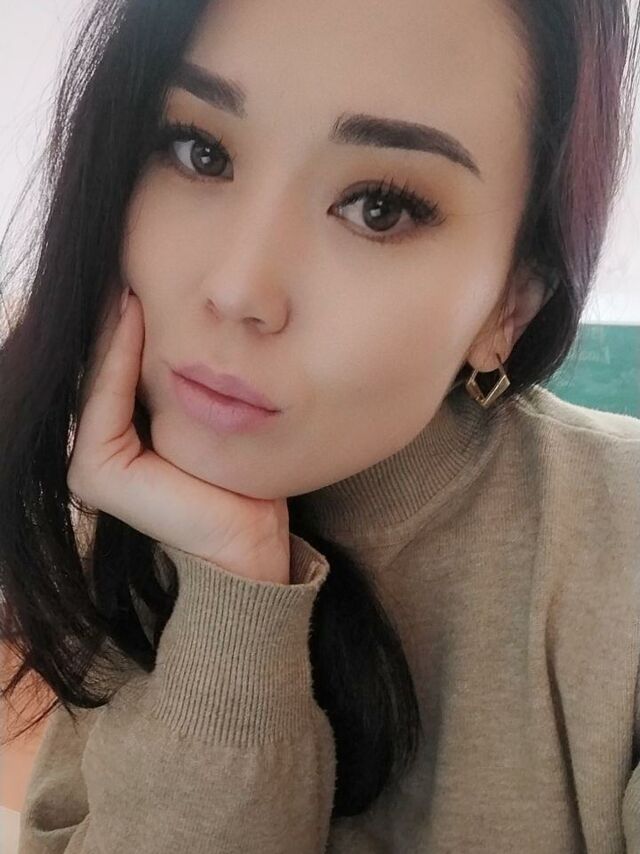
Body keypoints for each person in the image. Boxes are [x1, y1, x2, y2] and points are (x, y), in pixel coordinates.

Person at [1, 0, 639, 850]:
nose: (238, 289)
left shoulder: (619, 554)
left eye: (380, 207)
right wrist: (231, 591)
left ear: (510, 307)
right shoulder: (145, 527)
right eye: (200, 151)